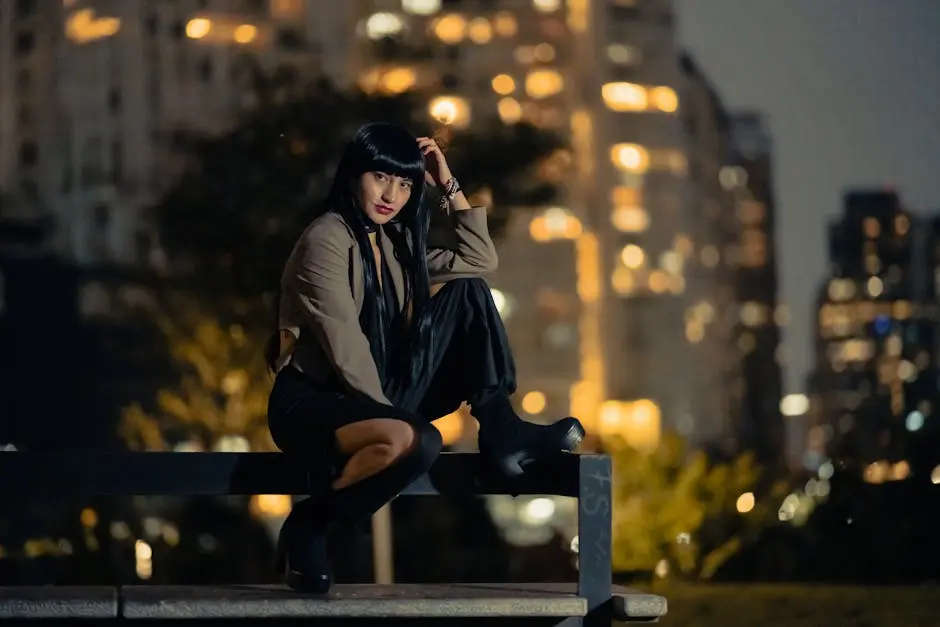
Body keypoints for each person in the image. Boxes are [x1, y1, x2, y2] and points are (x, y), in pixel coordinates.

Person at [265, 121, 585, 594]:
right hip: (315, 403)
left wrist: (446, 182)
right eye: (381, 177)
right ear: (355, 174)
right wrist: (399, 421)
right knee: (419, 441)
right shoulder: (326, 241)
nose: (391, 194)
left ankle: (500, 430)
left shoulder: (396, 243)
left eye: (404, 183)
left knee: (470, 291)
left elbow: (479, 260)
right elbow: (345, 345)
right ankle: (309, 525)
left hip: (379, 390)